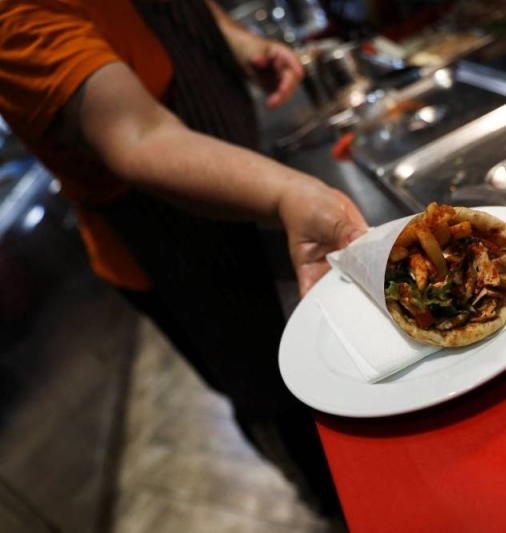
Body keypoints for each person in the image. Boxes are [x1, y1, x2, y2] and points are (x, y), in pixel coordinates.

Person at [0, 0, 368, 518]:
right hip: (174, 248)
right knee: (273, 395)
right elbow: (140, 135)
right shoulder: (16, 20)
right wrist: (287, 193)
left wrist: (240, 43)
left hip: (244, 188)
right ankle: (334, 507)